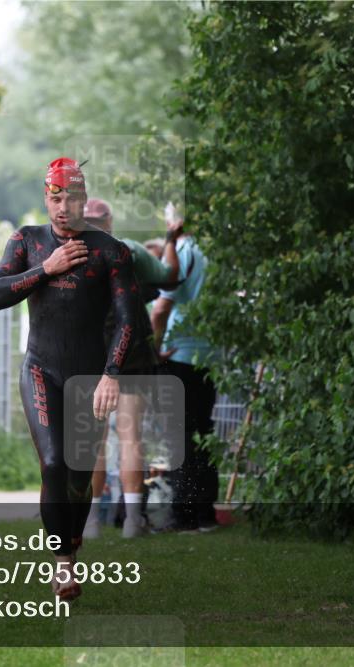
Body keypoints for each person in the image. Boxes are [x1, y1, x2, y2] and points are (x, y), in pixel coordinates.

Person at [0, 158, 142, 600]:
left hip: (91, 378)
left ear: (84, 200)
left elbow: (128, 320)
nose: (63, 208)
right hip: (41, 368)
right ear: (46, 199)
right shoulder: (28, 241)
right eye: (55, 199)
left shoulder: (111, 251)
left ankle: (71, 544)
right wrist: (47, 269)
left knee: (77, 474)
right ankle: (63, 564)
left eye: (72, 199)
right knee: (54, 462)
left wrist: (112, 375)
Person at [81, 198, 184, 538]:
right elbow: (170, 277)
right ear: (108, 220)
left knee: (94, 441)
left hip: (91, 355)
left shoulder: (66, 254)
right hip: (130, 355)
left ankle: (92, 522)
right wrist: (171, 239)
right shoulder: (130, 250)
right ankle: (131, 522)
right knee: (130, 437)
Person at [150, 203, 219, 533]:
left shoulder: (182, 251)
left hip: (177, 355)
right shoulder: (214, 253)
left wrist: (152, 349)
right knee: (203, 433)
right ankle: (206, 513)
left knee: (177, 439)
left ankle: (182, 515)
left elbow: (162, 307)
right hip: (210, 357)